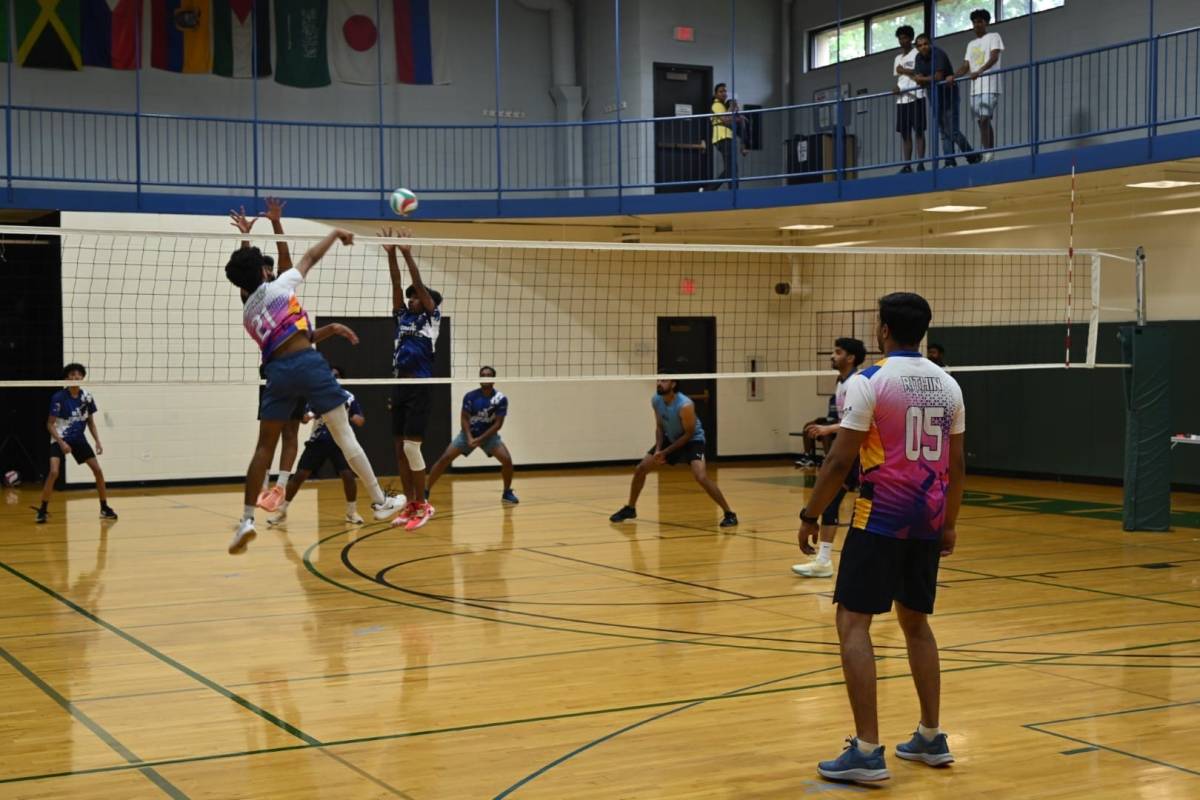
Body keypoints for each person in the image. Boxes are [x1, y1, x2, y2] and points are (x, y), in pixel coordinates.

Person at [798, 292, 965, 783]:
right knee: (916, 623)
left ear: (884, 330)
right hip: (927, 520)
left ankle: (867, 751)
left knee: (853, 622)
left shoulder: (869, 381)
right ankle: (931, 736)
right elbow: (957, 464)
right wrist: (949, 523)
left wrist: (810, 514)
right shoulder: (949, 385)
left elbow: (839, 460)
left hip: (880, 520)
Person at [224, 228, 403, 554]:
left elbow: (254, 288)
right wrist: (334, 235)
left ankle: (247, 520)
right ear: (263, 272)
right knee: (343, 434)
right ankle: (379, 501)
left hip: (276, 373)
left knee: (264, 448)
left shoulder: (247, 314)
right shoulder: (279, 286)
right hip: (307, 363)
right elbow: (309, 257)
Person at [228, 198, 305, 513]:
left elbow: (286, 259)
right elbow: (244, 269)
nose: (270, 271)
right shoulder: (253, 296)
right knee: (270, 433)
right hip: (273, 369)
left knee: (291, 431)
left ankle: (280, 487)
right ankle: (263, 484)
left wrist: (276, 222)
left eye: (272, 268)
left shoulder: (283, 288)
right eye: (266, 268)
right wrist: (246, 238)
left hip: (298, 366)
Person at [610, 379, 737, 528]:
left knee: (701, 476)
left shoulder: (685, 405)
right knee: (641, 469)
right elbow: (659, 427)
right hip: (670, 438)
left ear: (673, 384)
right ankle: (630, 509)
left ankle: (729, 513)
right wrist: (658, 450)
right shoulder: (656, 400)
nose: (659, 383)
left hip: (693, 440)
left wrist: (666, 452)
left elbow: (688, 434)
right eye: (658, 380)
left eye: (664, 381)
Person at [382, 227, 442, 531]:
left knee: (411, 448)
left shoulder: (431, 318)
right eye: (412, 297)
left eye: (417, 296)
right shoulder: (402, 317)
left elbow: (416, 284)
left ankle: (423, 503)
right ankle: (410, 505)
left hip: (420, 385)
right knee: (398, 449)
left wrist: (407, 255)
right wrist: (391, 254)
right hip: (400, 385)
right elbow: (397, 283)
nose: (413, 298)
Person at [792, 337, 866, 578]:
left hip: (862, 453)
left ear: (851, 358)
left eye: (838, 352)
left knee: (839, 502)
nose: (832, 356)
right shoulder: (842, 382)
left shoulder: (856, 382)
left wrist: (828, 429)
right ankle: (823, 561)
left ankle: (828, 562)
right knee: (831, 502)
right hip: (851, 450)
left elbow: (860, 421)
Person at [267, 367, 368, 526]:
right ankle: (282, 511)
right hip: (318, 441)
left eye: (336, 376)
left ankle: (351, 512)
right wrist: (310, 415)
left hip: (339, 442)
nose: (332, 378)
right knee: (299, 476)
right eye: (330, 376)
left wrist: (352, 417)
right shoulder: (317, 396)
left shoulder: (348, 397)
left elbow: (360, 420)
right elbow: (304, 418)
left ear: (342, 379)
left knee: (348, 475)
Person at [36, 363, 117, 523]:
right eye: (72, 374)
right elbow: (49, 424)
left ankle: (104, 508)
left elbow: (90, 423)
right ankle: (43, 510)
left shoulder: (86, 397)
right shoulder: (59, 397)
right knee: (54, 472)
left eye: (78, 374)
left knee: (98, 471)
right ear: (67, 378)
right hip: (60, 438)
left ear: (82, 377)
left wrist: (97, 441)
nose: (75, 377)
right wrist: (61, 443)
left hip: (78, 439)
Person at [426, 366, 519, 505]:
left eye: (488, 375)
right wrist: (469, 438)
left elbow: (498, 424)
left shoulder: (500, 399)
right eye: (483, 375)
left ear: (494, 379)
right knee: (445, 458)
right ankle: (425, 491)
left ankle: (507, 492)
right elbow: (464, 418)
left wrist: (479, 439)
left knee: (507, 460)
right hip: (468, 434)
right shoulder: (470, 396)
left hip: (488, 436)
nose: (485, 378)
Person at [905, 34, 979, 167]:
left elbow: (938, 77)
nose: (923, 47)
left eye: (925, 44)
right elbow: (920, 81)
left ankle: (973, 156)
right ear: (917, 48)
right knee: (944, 132)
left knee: (952, 131)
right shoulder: (918, 58)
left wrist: (922, 79)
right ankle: (950, 161)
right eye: (920, 45)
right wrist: (924, 79)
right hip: (934, 97)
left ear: (930, 44)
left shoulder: (938, 54)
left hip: (949, 95)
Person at [950, 9, 1004, 162]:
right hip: (975, 88)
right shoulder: (971, 44)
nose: (976, 25)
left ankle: (988, 152)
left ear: (986, 22)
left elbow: (994, 57)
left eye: (980, 21)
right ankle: (988, 151)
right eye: (974, 22)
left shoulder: (994, 36)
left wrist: (980, 71)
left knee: (985, 118)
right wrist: (953, 76)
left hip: (990, 84)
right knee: (981, 121)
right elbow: (966, 66)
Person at [892, 26, 926, 173]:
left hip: (917, 96)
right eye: (900, 38)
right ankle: (907, 165)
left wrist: (903, 70)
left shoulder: (917, 53)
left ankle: (921, 163)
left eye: (905, 38)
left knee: (919, 131)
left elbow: (920, 73)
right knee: (905, 134)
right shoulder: (897, 58)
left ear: (911, 38)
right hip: (902, 100)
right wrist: (897, 87)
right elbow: (900, 78)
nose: (902, 41)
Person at [707, 83, 746, 191]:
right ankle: (713, 190)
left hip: (727, 137)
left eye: (725, 91)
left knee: (732, 168)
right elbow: (725, 119)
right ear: (715, 94)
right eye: (721, 91)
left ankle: (728, 190)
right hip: (723, 137)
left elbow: (729, 119)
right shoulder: (717, 105)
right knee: (731, 168)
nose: (724, 93)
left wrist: (738, 116)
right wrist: (732, 110)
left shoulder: (723, 106)